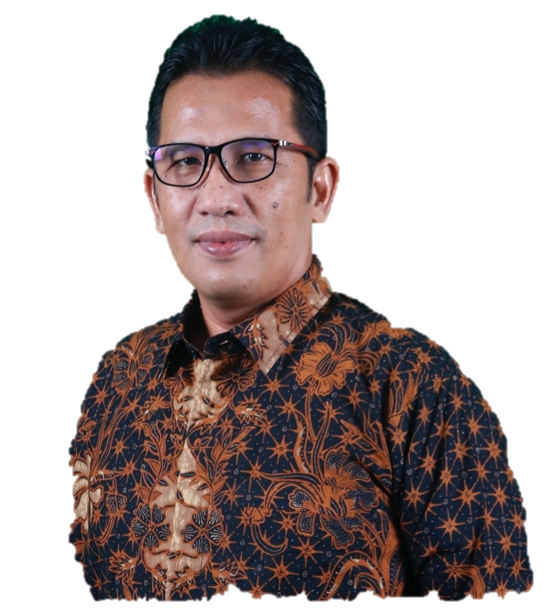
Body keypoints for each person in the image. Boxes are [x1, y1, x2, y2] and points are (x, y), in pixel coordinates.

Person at [69, 15, 533, 602]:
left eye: (252, 156)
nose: (216, 197)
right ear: (154, 199)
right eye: (185, 161)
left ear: (321, 189)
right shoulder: (117, 378)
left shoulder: (411, 385)